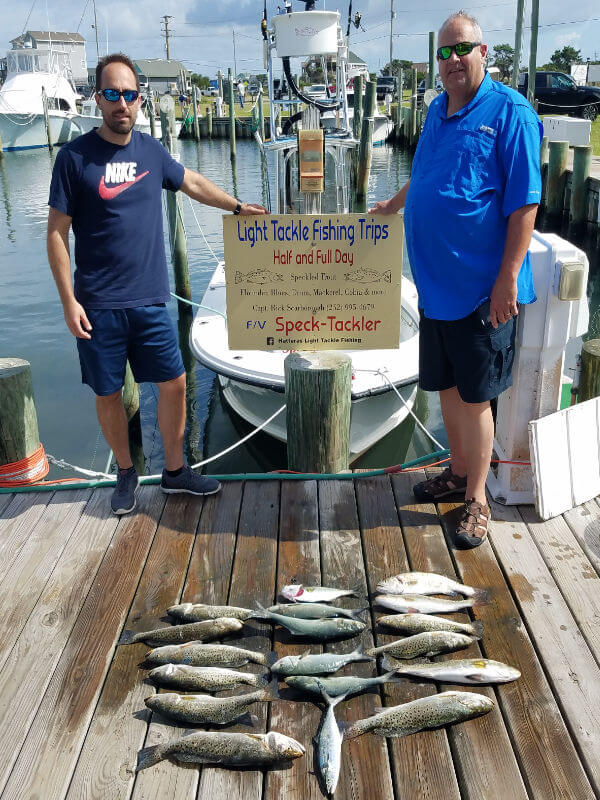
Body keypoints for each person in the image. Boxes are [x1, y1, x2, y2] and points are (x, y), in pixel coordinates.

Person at [47, 53, 268, 515]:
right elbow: (56, 233)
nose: (121, 103)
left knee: (174, 383)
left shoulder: (150, 151)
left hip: (149, 301)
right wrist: (68, 301)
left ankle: (174, 471)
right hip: (97, 305)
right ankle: (126, 472)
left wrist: (235, 205)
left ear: (140, 100)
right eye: (112, 93)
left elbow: (190, 181)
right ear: (98, 98)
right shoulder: (73, 158)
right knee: (108, 393)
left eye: (129, 94)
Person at [370, 12, 542, 548]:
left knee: (475, 400)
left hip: (479, 291)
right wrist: (392, 205)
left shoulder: (511, 111)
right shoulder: (436, 110)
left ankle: (478, 501)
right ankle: (457, 471)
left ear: (483, 52)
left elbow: (524, 205)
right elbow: (424, 176)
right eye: (443, 53)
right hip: (434, 289)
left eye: (461, 50)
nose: (451, 62)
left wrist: (507, 280)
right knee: (445, 388)